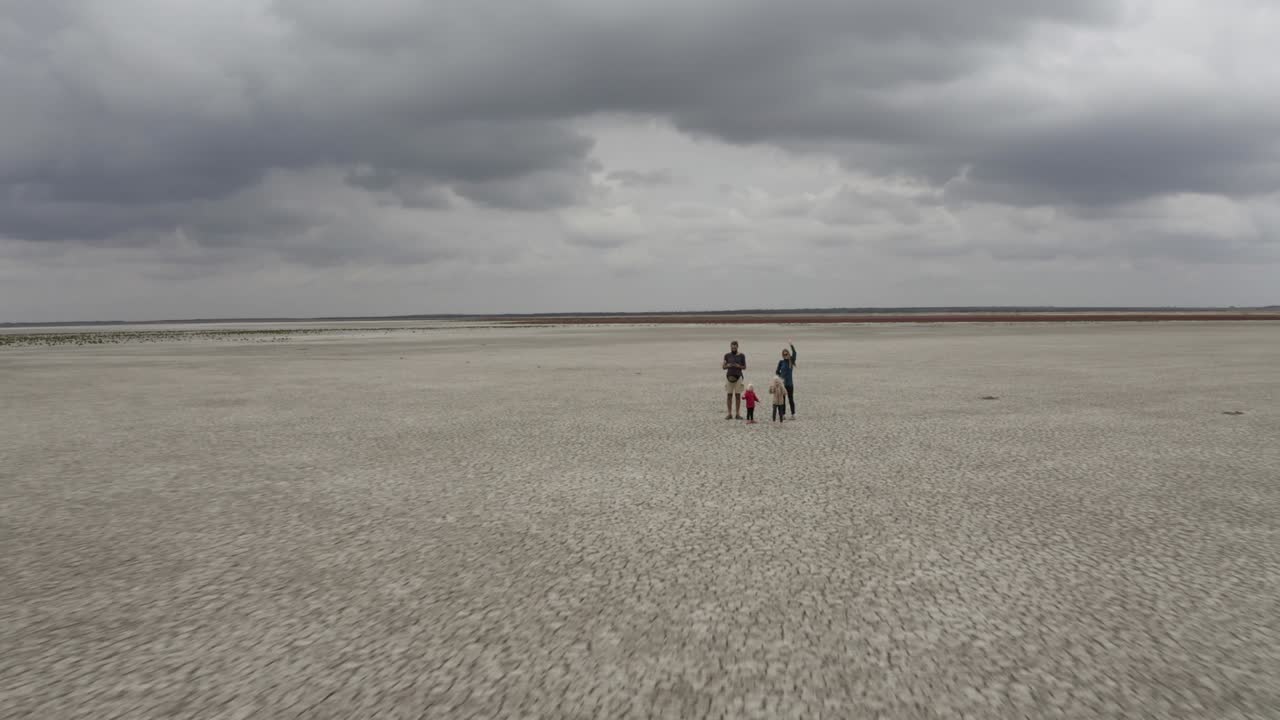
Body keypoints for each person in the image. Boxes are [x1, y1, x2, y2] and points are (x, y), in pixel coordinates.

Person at [722, 340, 746, 420]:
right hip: (729, 377)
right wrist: (728, 365)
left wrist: (738, 366)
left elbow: (744, 367)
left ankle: (737, 414)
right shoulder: (727, 355)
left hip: (738, 377)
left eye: (735, 347)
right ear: (730, 347)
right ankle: (729, 414)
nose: (733, 348)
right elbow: (723, 367)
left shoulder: (742, 355)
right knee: (729, 395)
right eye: (732, 347)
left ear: (737, 347)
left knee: (738, 396)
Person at [775, 340, 797, 417]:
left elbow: (795, 353)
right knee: (782, 400)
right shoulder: (781, 362)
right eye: (784, 354)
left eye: (786, 354)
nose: (785, 355)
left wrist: (791, 345)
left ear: (788, 354)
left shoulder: (791, 361)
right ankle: (783, 414)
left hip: (790, 384)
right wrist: (780, 376)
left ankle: (793, 414)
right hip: (782, 384)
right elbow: (777, 371)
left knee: (790, 399)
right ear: (782, 355)